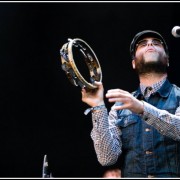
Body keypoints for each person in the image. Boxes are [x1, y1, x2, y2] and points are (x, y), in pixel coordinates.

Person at [81, 30, 180, 178]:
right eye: (143, 44)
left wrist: (141, 108)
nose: (150, 44)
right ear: (134, 63)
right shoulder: (120, 106)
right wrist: (98, 106)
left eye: (156, 43)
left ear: (167, 60)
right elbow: (107, 157)